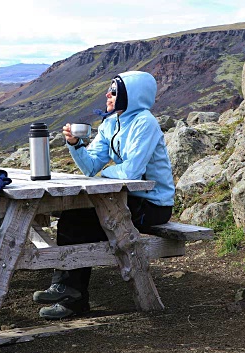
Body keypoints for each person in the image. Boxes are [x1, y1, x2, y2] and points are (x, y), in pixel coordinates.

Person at [34, 71, 176, 320]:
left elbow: (132, 171)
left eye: (114, 90)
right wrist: (76, 144)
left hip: (153, 204)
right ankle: (66, 290)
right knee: (74, 216)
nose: (107, 95)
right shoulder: (111, 123)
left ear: (130, 96)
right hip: (126, 198)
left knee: (83, 220)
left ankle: (72, 295)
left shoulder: (145, 123)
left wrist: (105, 176)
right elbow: (90, 167)